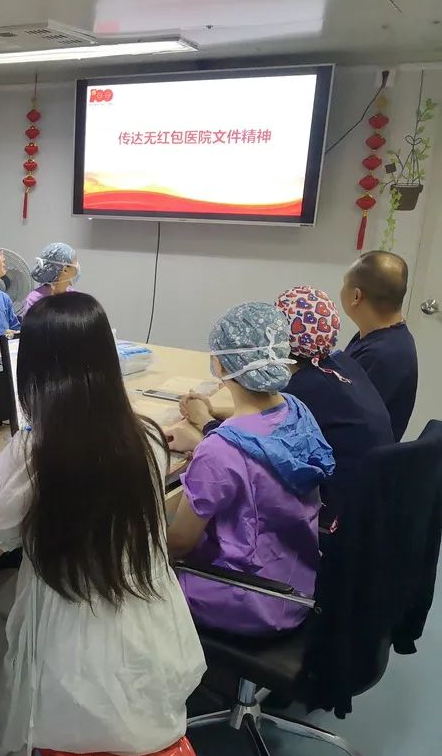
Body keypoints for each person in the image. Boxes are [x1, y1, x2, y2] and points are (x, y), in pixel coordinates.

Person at [0, 293, 206, 756]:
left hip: (72, 686)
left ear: (34, 372)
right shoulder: (147, 439)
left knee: (1, 594)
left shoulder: (34, 451)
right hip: (154, 660)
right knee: (5, 597)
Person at [166, 302, 334, 637]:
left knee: (128, 577)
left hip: (247, 597)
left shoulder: (220, 451)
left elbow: (178, 543)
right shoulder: (297, 411)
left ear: (219, 363)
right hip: (296, 583)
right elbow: (256, 455)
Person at [186, 286, 392, 531]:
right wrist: (217, 412)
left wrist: (205, 423)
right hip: (369, 503)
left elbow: (250, 455)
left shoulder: (301, 392)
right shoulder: (339, 364)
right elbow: (263, 422)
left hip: (332, 517)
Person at [340, 250, 419, 440]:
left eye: (344, 284)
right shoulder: (376, 336)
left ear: (356, 296)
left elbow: (348, 420)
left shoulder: (383, 355)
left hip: (358, 453)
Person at [18, 242, 78, 318]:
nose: (77, 267)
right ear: (65, 270)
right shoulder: (34, 300)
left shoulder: (75, 298)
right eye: (75, 263)